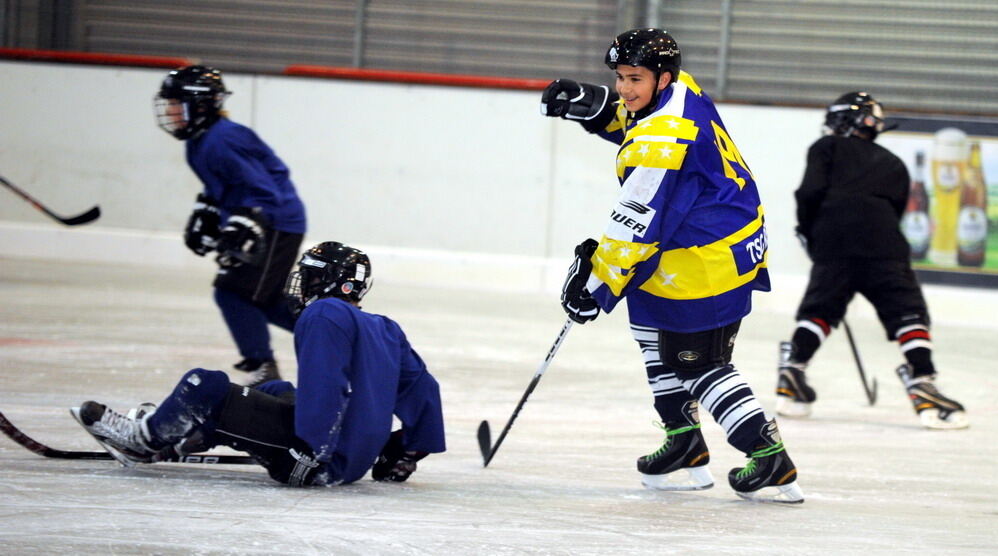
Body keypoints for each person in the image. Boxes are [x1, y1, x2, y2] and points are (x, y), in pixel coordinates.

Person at [541, 28, 803, 503]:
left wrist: (594, 287)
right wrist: (596, 106)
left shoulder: (663, 142)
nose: (624, 88)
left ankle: (768, 457)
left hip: (705, 259)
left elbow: (634, 228)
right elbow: (637, 119)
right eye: (619, 78)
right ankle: (684, 442)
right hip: (695, 243)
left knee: (699, 363)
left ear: (662, 77)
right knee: (652, 338)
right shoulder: (683, 89)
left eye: (634, 79)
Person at [70, 241, 447, 486]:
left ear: (338, 285)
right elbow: (423, 390)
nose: (302, 285)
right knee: (277, 390)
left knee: (205, 385)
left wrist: (312, 452)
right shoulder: (385, 327)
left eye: (312, 277)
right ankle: (188, 437)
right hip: (347, 461)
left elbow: (327, 385)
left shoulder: (325, 313)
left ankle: (142, 441)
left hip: (316, 459)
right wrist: (408, 451)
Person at [776, 92, 968, 430]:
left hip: (834, 241)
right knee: (907, 312)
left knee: (820, 310)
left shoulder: (826, 148)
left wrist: (810, 233)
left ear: (842, 120)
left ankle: (792, 374)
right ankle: (923, 380)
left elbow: (808, 193)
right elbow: (895, 209)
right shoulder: (893, 162)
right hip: (884, 245)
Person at [155, 65, 307, 387]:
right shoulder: (197, 142)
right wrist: (208, 211)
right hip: (267, 221)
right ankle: (336, 333)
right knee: (260, 298)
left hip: (276, 223)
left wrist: (246, 222)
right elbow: (223, 186)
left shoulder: (223, 140)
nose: (170, 112)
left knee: (235, 294)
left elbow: (263, 190)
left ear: (200, 105)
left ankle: (265, 367)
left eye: (175, 104)